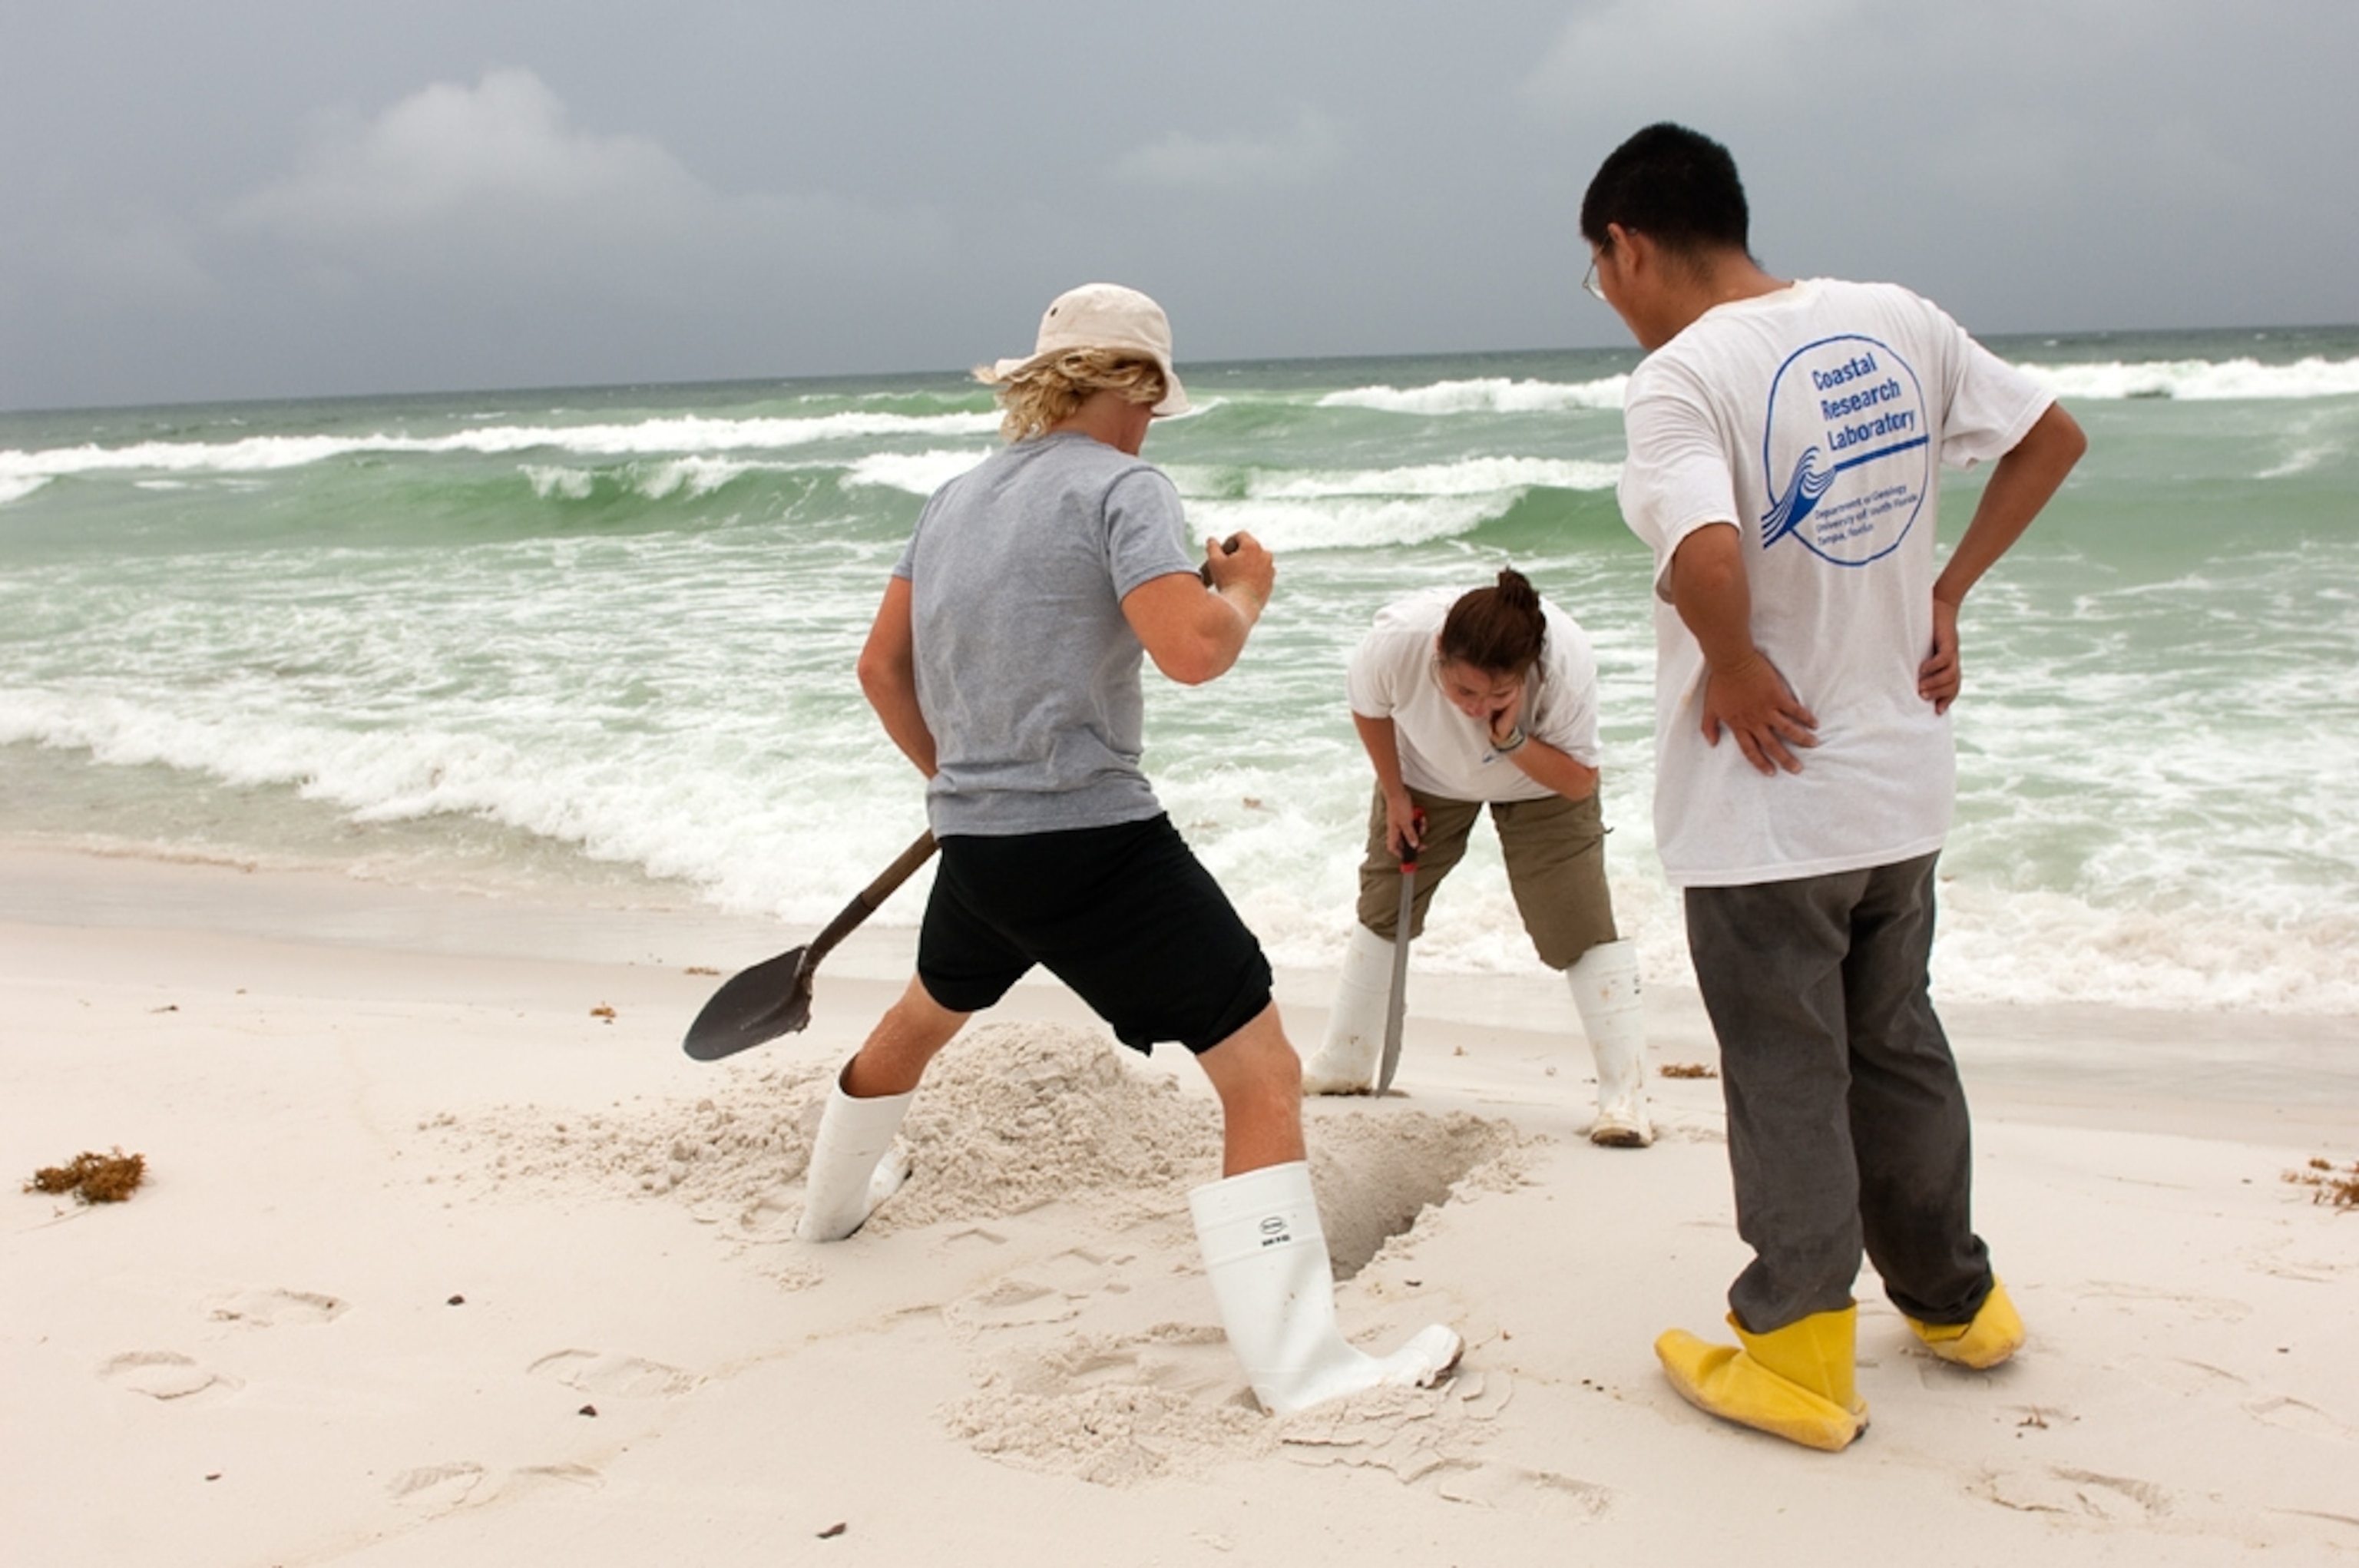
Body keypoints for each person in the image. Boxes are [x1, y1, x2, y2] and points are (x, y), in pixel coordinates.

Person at [809, 282, 1461, 1417]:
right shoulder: (1127, 488)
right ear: (1140, 387)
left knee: (925, 1011)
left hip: (980, 841)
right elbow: (1195, 651)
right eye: (1153, 398)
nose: (1154, 422)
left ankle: (827, 1209)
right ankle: (1307, 1371)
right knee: (1260, 1072)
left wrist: (957, 783)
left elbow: (879, 668)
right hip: (1091, 840)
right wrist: (1245, 590)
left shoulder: (954, 497)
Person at [1578, 124, 2086, 1451]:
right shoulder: (1894, 318)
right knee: (1894, 1037)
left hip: (1766, 802)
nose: (1605, 295)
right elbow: (2049, 438)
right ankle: (1954, 1302)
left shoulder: (1682, 377)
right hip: (1896, 785)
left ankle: (1798, 1346)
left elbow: (1700, 546)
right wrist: (1944, 588)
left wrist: (1735, 663)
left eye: (1597, 269)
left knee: (1786, 1064)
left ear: (1628, 245)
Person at [1302, 567, 1654, 1147]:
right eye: (1464, 691)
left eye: (1498, 694)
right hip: (1425, 775)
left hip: (1540, 779)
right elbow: (1369, 707)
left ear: (1527, 673)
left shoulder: (1564, 661)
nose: (1475, 708)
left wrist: (1510, 738)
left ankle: (1625, 1097)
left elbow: (1577, 782)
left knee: (1577, 924)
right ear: (1438, 653)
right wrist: (1395, 795)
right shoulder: (1399, 641)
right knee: (1385, 904)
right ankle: (1346, 1060)